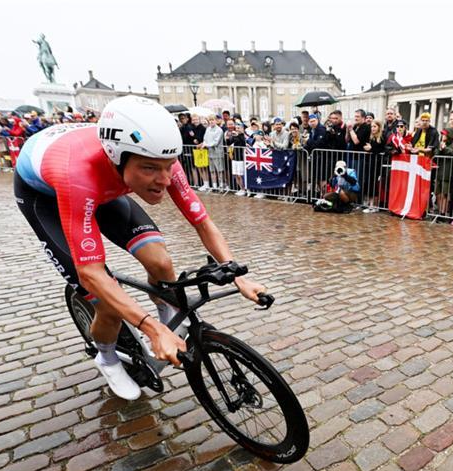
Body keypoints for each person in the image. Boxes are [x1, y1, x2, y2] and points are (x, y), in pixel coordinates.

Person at [13, 95, 266, 400]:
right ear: (115, 157)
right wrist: (151, 329)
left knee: (161, 263)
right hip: (49, 197)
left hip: (104, 187)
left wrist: (236, 273)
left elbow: (202, 222)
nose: (164, 180)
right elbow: (91, 272)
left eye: (169, 166)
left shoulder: (159, 161)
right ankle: (106, 357)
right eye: (149, 169)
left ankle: (164, 311)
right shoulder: (79, 172)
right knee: (108, 305)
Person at [362, 119, 384, 212]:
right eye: (371, 126)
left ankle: (373, 205)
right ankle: (369, 203)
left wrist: (371, 148)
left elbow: (380, 150)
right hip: (369, 163)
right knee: (368, 183)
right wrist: (367, 149)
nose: (373, 128)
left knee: (374, 184)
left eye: (375, 126)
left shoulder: (381, 138)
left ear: (379, 127)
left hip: (377, 164)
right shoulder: (370, 137)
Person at [203, 114, 225, 190]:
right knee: (212, 170)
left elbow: (216, 142)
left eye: (213, 120)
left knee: (220, 170)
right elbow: (205, 139)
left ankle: (221, 185)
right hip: (210, 153)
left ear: (216, 121)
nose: (211, 121)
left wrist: (206, 145)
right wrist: (204, 144)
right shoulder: (208, 129)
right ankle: (214, 186)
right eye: (210, 120)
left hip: (218, 152)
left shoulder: (219, 130)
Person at [224, 120, 247, 195]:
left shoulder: (242, 136)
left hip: (240, 158)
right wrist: (227, 138)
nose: (237, 129)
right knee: (236, 174)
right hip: (234, 157)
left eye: (239, 128)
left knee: (240, 174)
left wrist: (237, 135)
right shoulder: (234, 135)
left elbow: (242, 143)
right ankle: (240, 188)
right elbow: (229, 143)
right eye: (236, 128)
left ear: (242, 129)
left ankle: (243, 189)